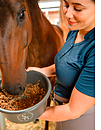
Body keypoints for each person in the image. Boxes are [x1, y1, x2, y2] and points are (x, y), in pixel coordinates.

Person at [27, 0, 95, 129]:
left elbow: (73, 111)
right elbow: (70, 64)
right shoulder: (74, 32)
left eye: (78, 8)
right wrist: (44, 71)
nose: (67, 14)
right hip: (59, 110)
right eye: (66, 5)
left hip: (81, 119)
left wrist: (24, 112)